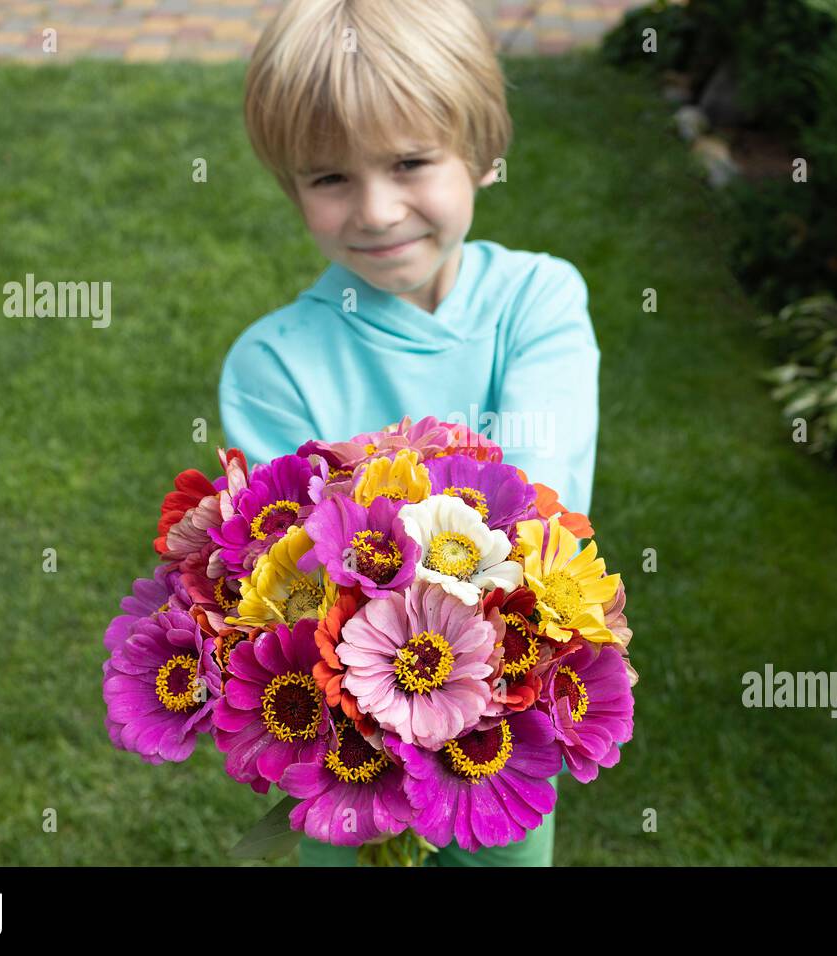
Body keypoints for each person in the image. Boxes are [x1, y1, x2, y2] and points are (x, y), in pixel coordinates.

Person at [218, 0, 599, 866]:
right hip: (348, 745)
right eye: (329, 178)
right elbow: (283, 576)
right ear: (291, 187)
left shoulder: (536, 304)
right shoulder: (273, 365)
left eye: (411, 162)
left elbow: (540, 517)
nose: (379, 210)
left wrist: (375, 540)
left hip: (502, 727)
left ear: (483, 153)